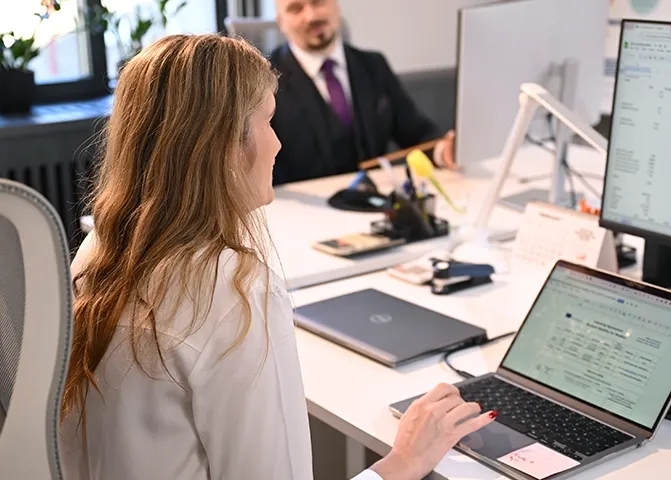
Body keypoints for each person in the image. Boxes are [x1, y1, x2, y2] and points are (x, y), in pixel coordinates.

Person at [59, 34, 495, 480]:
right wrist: (404, 461)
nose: (277, 144)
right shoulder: (231, 288)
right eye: (267, 122)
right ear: (222, 144)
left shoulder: (99, 250)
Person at [268, 0, 456, 185]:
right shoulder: (265, 81)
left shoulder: (374, 65)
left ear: (336, 5)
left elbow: (417, 134)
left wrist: (443, 151)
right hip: (302, 203)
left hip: (373, 197)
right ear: (280, 21)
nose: (311, 16)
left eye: (318, 2)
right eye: (296, 9)